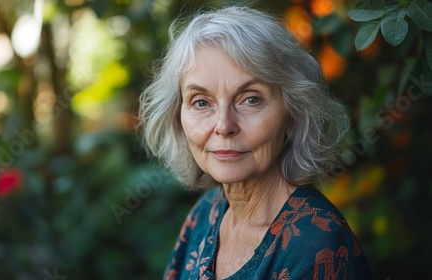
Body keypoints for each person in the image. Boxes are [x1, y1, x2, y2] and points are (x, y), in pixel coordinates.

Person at [139, 6, 372, 280]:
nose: (224, 126)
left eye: (251, 99)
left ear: (294, 112)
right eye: (201, 102)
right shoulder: (208, 211)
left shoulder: (318, 245)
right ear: (178, 115)